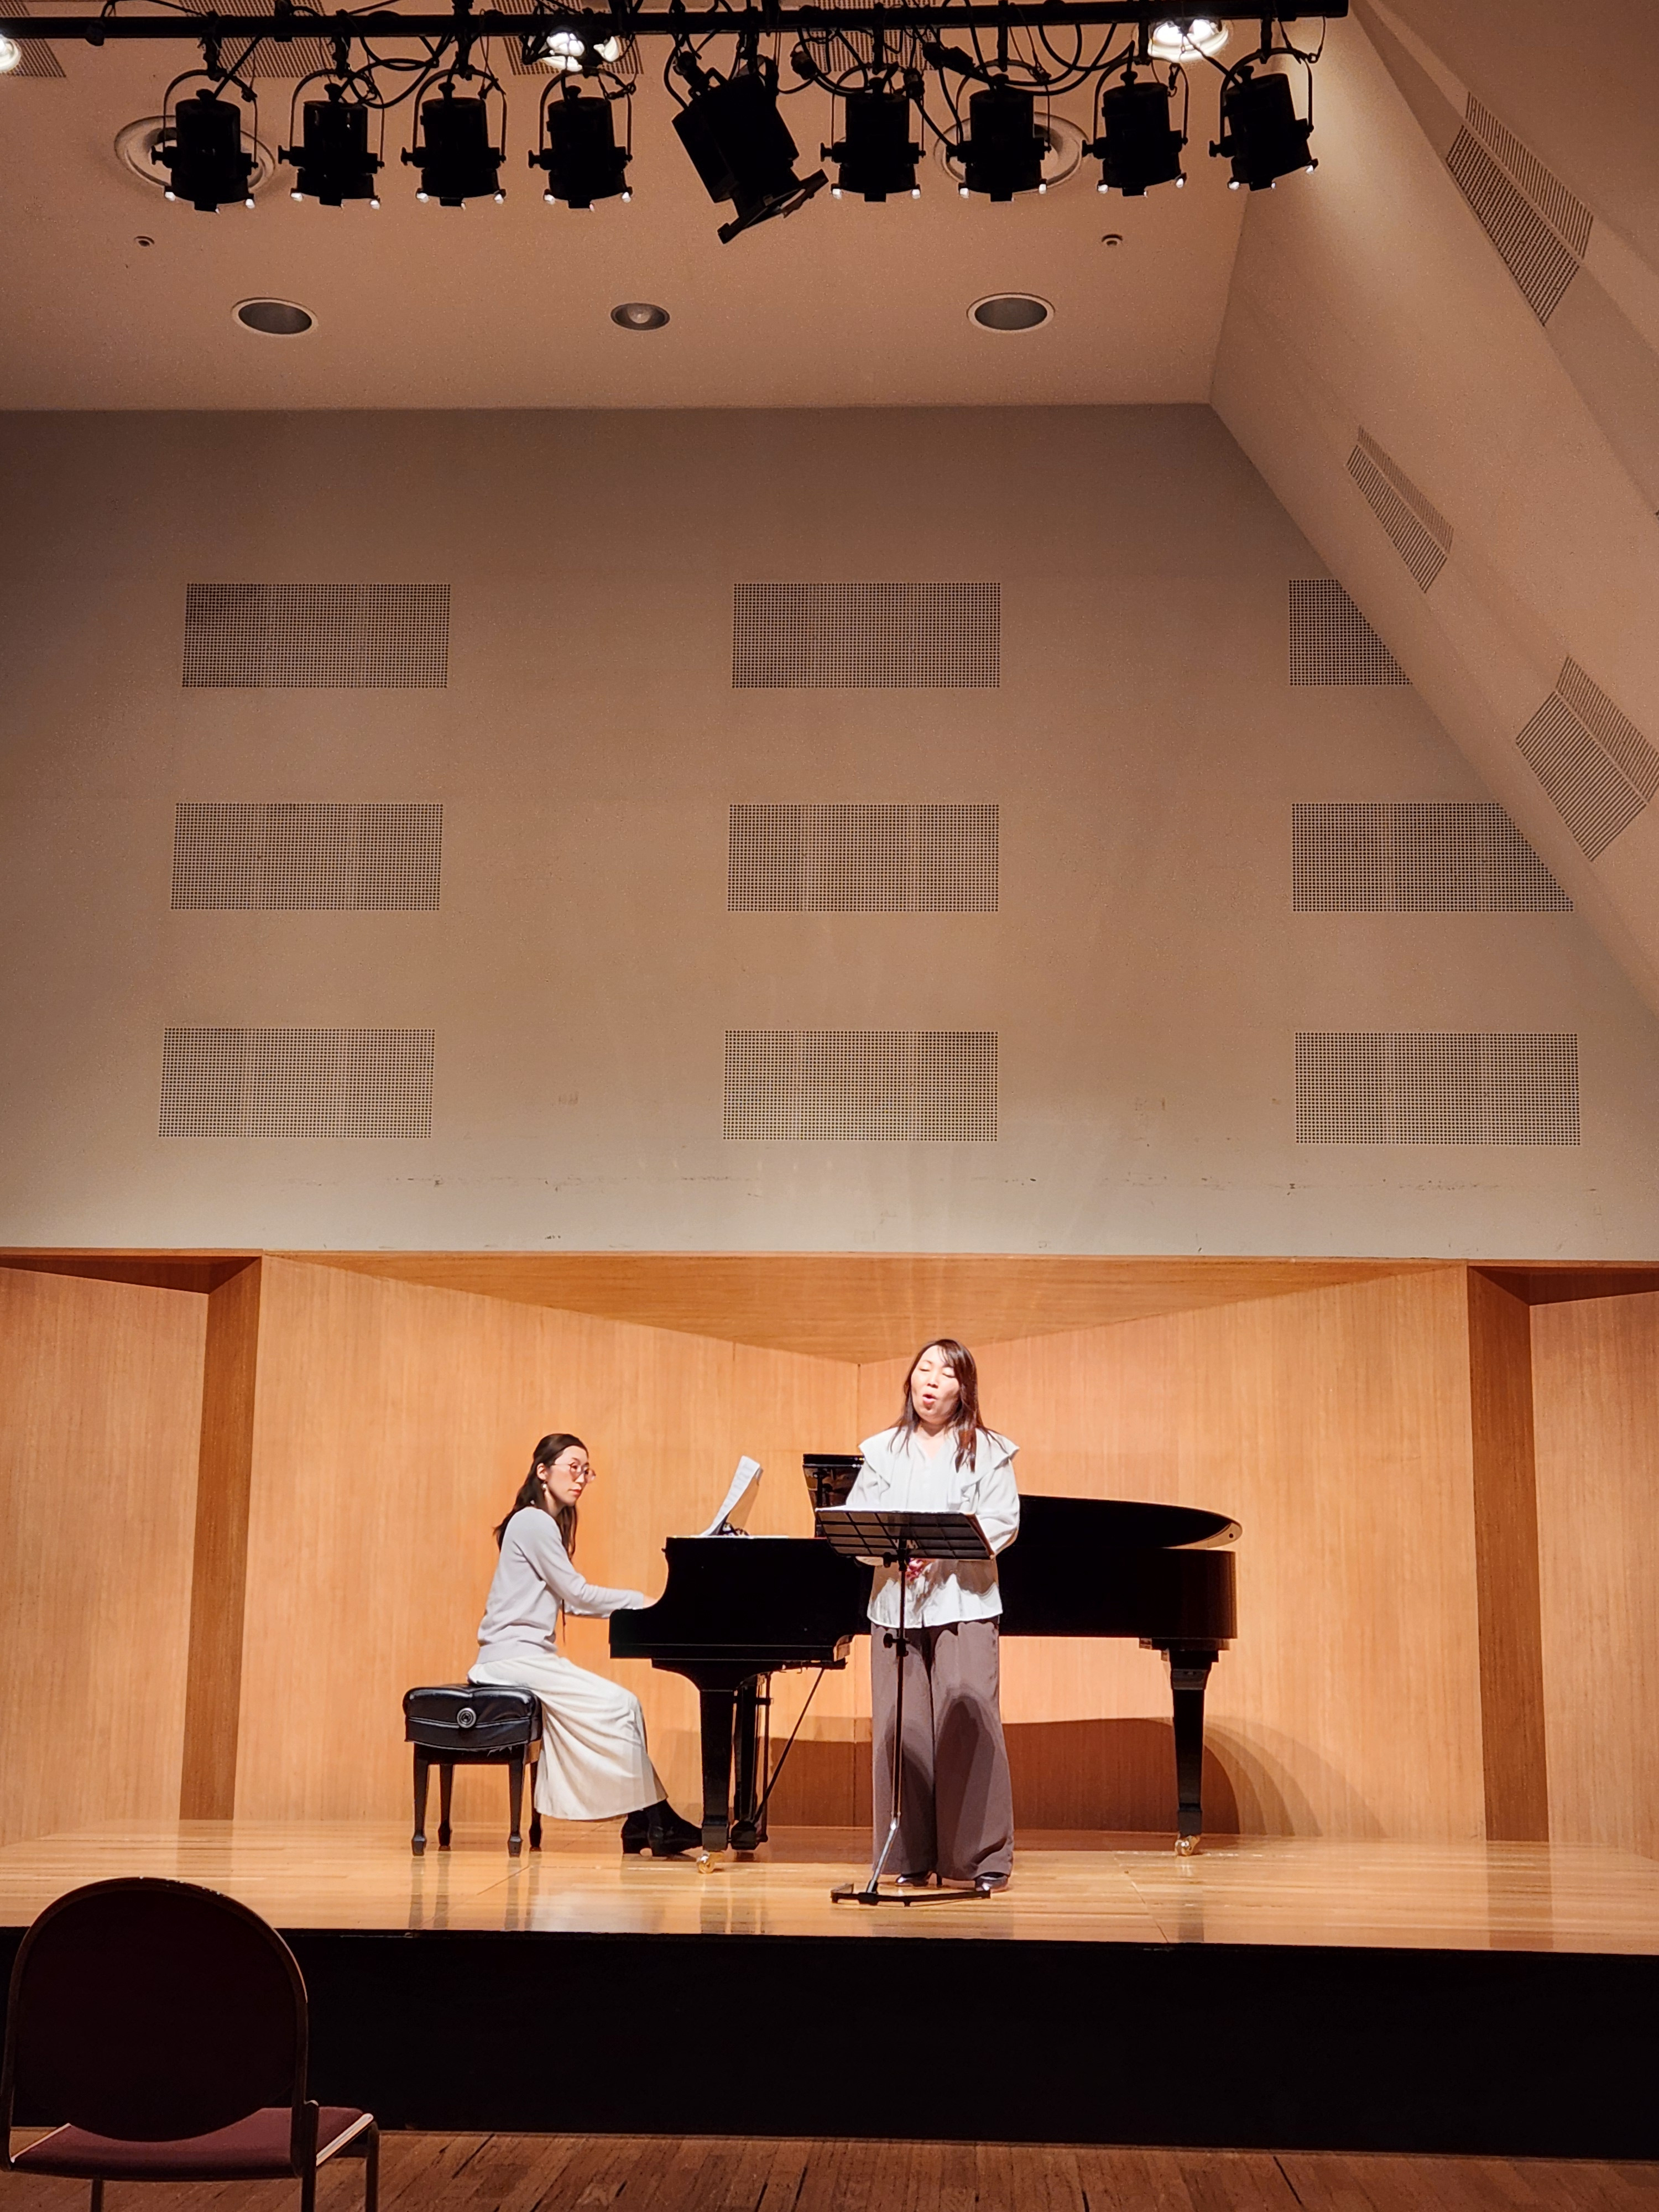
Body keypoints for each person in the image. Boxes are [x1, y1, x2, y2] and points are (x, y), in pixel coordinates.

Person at [468, 1432, 702, 1857]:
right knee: (621, 1705)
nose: (580, 1479)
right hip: (511, 1658)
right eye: (573, 1468)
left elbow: (571, 1602)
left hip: (528, 1658)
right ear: (543, 1471)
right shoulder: (533, 1521)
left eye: (586, 1471)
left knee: (626, 1706)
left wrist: (641, 1611)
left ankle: (645, 1822)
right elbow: (576, 1593)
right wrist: (646, 1603)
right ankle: (654, 1821)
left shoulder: (539, 1524)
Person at [843, 1339, 1019, 1894]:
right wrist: (891, 1548)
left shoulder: (989, 1450)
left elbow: (1003, 1520)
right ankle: (907, 1855)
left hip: (963, 1601)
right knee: (903, 1728)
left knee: (968, 1717)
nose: (932, 1380)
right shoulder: (881, 1451)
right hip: (896, 1605)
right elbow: (857, 1524)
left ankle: (980, 1858)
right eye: (924, 1369)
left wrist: (941, 1549)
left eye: (946, 1373)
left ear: (963, 1389)